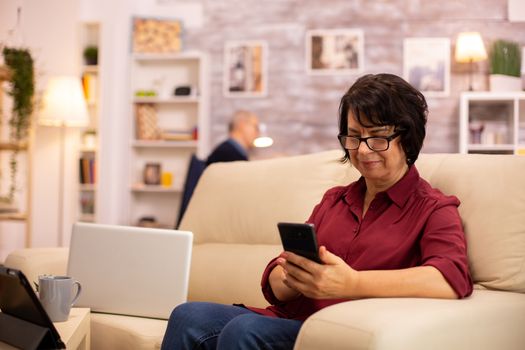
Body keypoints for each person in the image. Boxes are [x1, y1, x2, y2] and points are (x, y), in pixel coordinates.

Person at [161, 73, 473, 350]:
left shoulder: (434, 208)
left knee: (246, 331)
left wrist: (351, 284)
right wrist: (288, 278)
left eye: (377, 137)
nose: (363, 150)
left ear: (408, 136)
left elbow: (449, 279)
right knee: (188, 315)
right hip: (290, 319)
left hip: (340, 333)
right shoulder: (334, 200)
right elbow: (280, 272)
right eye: (354, 136)